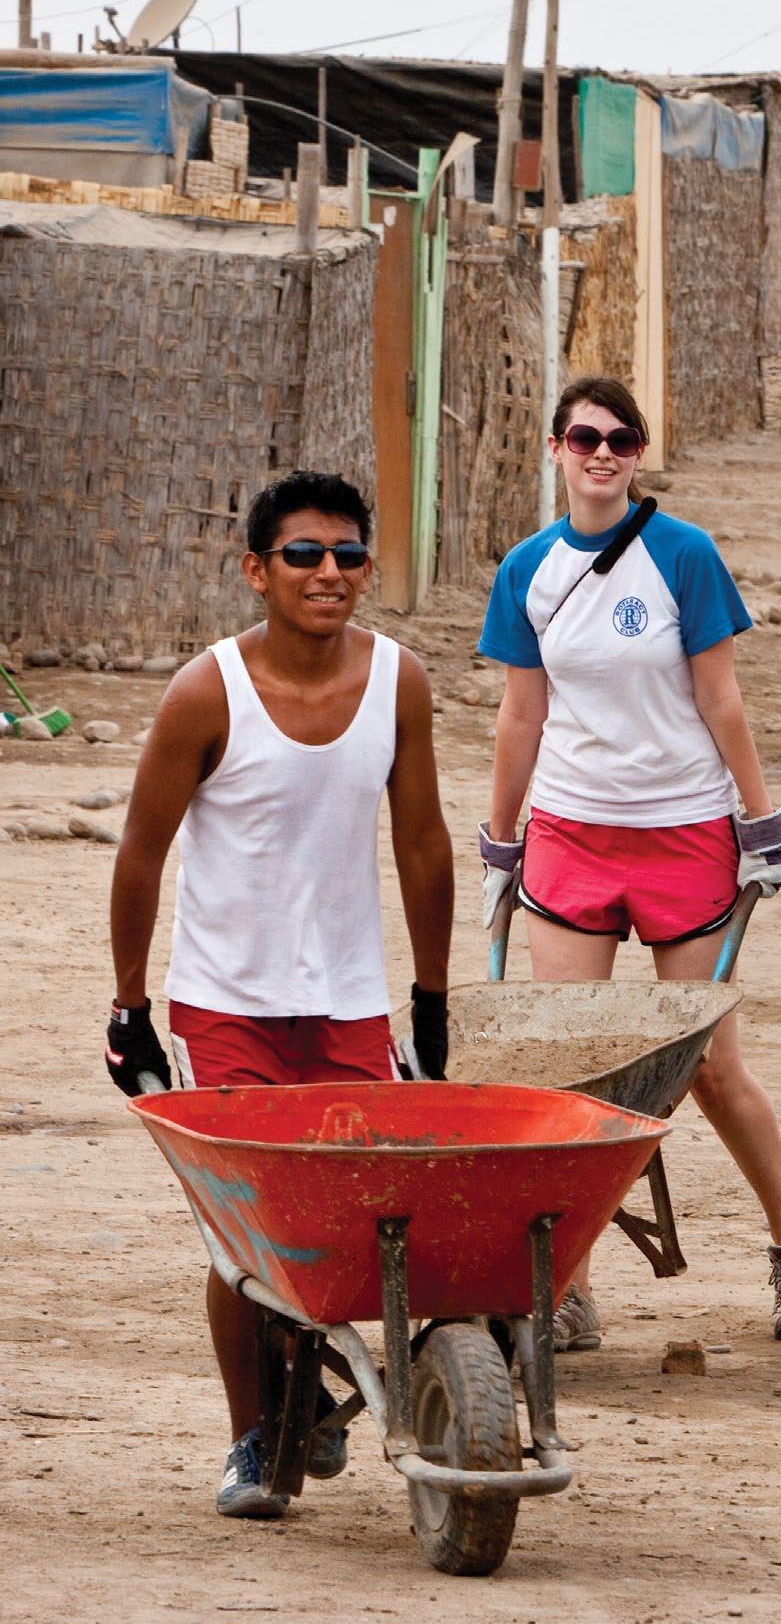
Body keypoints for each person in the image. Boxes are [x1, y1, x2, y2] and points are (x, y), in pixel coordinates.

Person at [105, 469, 454, 1516]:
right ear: (256, 569)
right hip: (227, 1001)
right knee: (248, 1228)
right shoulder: (206, 691)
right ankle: (254, 1434)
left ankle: (313, 1378)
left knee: (361, 1213)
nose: (330, 573)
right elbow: (140, 854)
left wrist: (429, 998)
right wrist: (130, 1010)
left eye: (349, 554)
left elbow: (425, 844)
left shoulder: (399, 681)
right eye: (303, 553)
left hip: (346, 998)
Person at [476, 376, 781, 1351]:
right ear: (555, 447)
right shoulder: (528, 571)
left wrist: (761, 824)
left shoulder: (684, 555)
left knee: (709, 1064)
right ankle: (570, 1288)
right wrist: (501, 843)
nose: (602, 451)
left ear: (637, 452)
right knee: (571, 1071)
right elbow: (520, 714)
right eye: (584, 436)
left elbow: (721, 700)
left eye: (620, 438)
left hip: (682, 832)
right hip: (571, 834)